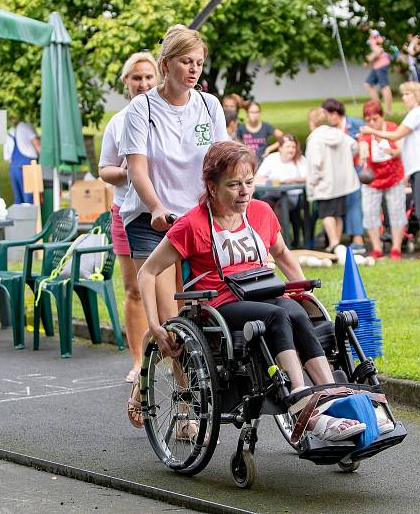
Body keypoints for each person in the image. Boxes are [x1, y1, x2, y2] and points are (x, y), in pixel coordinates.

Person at [137, 141, 367, 441]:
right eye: (233, 184)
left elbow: (283, 253)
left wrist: (301, 291)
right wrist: (155, 325)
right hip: (220, 303)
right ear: (212, 187)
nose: (245, 190)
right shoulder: (192, 224)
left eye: (249, 182)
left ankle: (330, 396)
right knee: (275, 316)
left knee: (296, 311)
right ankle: (301, 405)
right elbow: (148, 272)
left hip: (261, 289)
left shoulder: (260, 212)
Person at [120, 24, 228, 427]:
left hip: (197, 218)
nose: (194, 69)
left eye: (199, 63)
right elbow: (136, 169)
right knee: (171, 322)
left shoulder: (209, 107)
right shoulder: (141, 109)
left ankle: (141, 384)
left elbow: (220, 162)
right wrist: (156, 207)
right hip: (152, 221)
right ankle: (184, 408)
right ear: (166, 64)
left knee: (197, 317)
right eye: (186, 62)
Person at [98, 52, 159, 383]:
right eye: (137, 77)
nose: (143, 83)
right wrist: (125, 173)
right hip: (126, 212)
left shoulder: (167, 114)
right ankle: (139, 361)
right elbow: (104, 169)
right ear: (126, 82)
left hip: (165, 213)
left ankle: (177, 351)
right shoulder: (118, 121)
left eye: (149, 77)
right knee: (134, 289)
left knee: (176, 290)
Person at [359, 82, 420, 259]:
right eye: (403, 95)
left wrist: (371, 131)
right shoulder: (413, 114)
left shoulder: (417, 113)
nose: (403, 98)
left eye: (407, 94)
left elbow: (396, 135)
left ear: (416, 96)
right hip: (417, 168)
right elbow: (402, 145)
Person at [305, 108, 359, 258]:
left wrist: (313, 181)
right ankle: (336, 243)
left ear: (312, 122)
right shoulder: (338, 133)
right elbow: (354, 146)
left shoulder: (315, 138)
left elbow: (315, 163)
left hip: (325, 182)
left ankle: (334, 243)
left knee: (327, 213)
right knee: (338, 214)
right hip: (342, 182)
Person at [357, 100, 406, 260]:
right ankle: (377, 248)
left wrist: (391, 151)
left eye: (375, 119)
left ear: (382, 116)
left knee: (396, 211)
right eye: (368, 120)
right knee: (370, 212)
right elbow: (362, 148)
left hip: (394, 176)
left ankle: (396, 248)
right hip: (372, 179)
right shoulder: (365, 133)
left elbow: (401, 149)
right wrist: (363, 153)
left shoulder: (392, 128)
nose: (372, 123)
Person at [322, 98, 366, 254]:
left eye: (327, 114)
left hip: (355, 168)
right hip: (338, 171)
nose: (327, 118)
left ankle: (358, 238)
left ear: (334, 113)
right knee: (343, 204)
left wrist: (362, 160)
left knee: (354, 202)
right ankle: (345, 237)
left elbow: (364, 142)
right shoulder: (330, 129)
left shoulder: (354, 124)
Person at [254, 134, 307, 236]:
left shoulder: (300, 159)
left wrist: (291, 180)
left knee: (280, 207)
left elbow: (308, 177)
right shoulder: (271, 159)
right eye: (288, 147)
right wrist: (273, 181)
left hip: (294, 195)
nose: (291, 150)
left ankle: (278, 238)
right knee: (262, 206)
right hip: (272, 194)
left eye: (293, 147)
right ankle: (262, 237)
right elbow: (258, 177)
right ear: (280, 148)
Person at [3, 117, 41, 204]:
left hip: (13, 168)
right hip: (27, 166)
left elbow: (7, 157)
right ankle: (30, 217)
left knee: (18, 200)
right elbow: (37, 144)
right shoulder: (26, 127)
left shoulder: (9, 133)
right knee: (29, 198)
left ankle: (18, 217)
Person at [363, 30, 393, 117]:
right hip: (377, 66)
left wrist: (370, 58)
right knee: (368, 84)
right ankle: (377, 106)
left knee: (384, 86)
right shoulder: (372, 37)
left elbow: (378, 51)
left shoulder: (374, 35)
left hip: (382, 65)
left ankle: (388, 111)